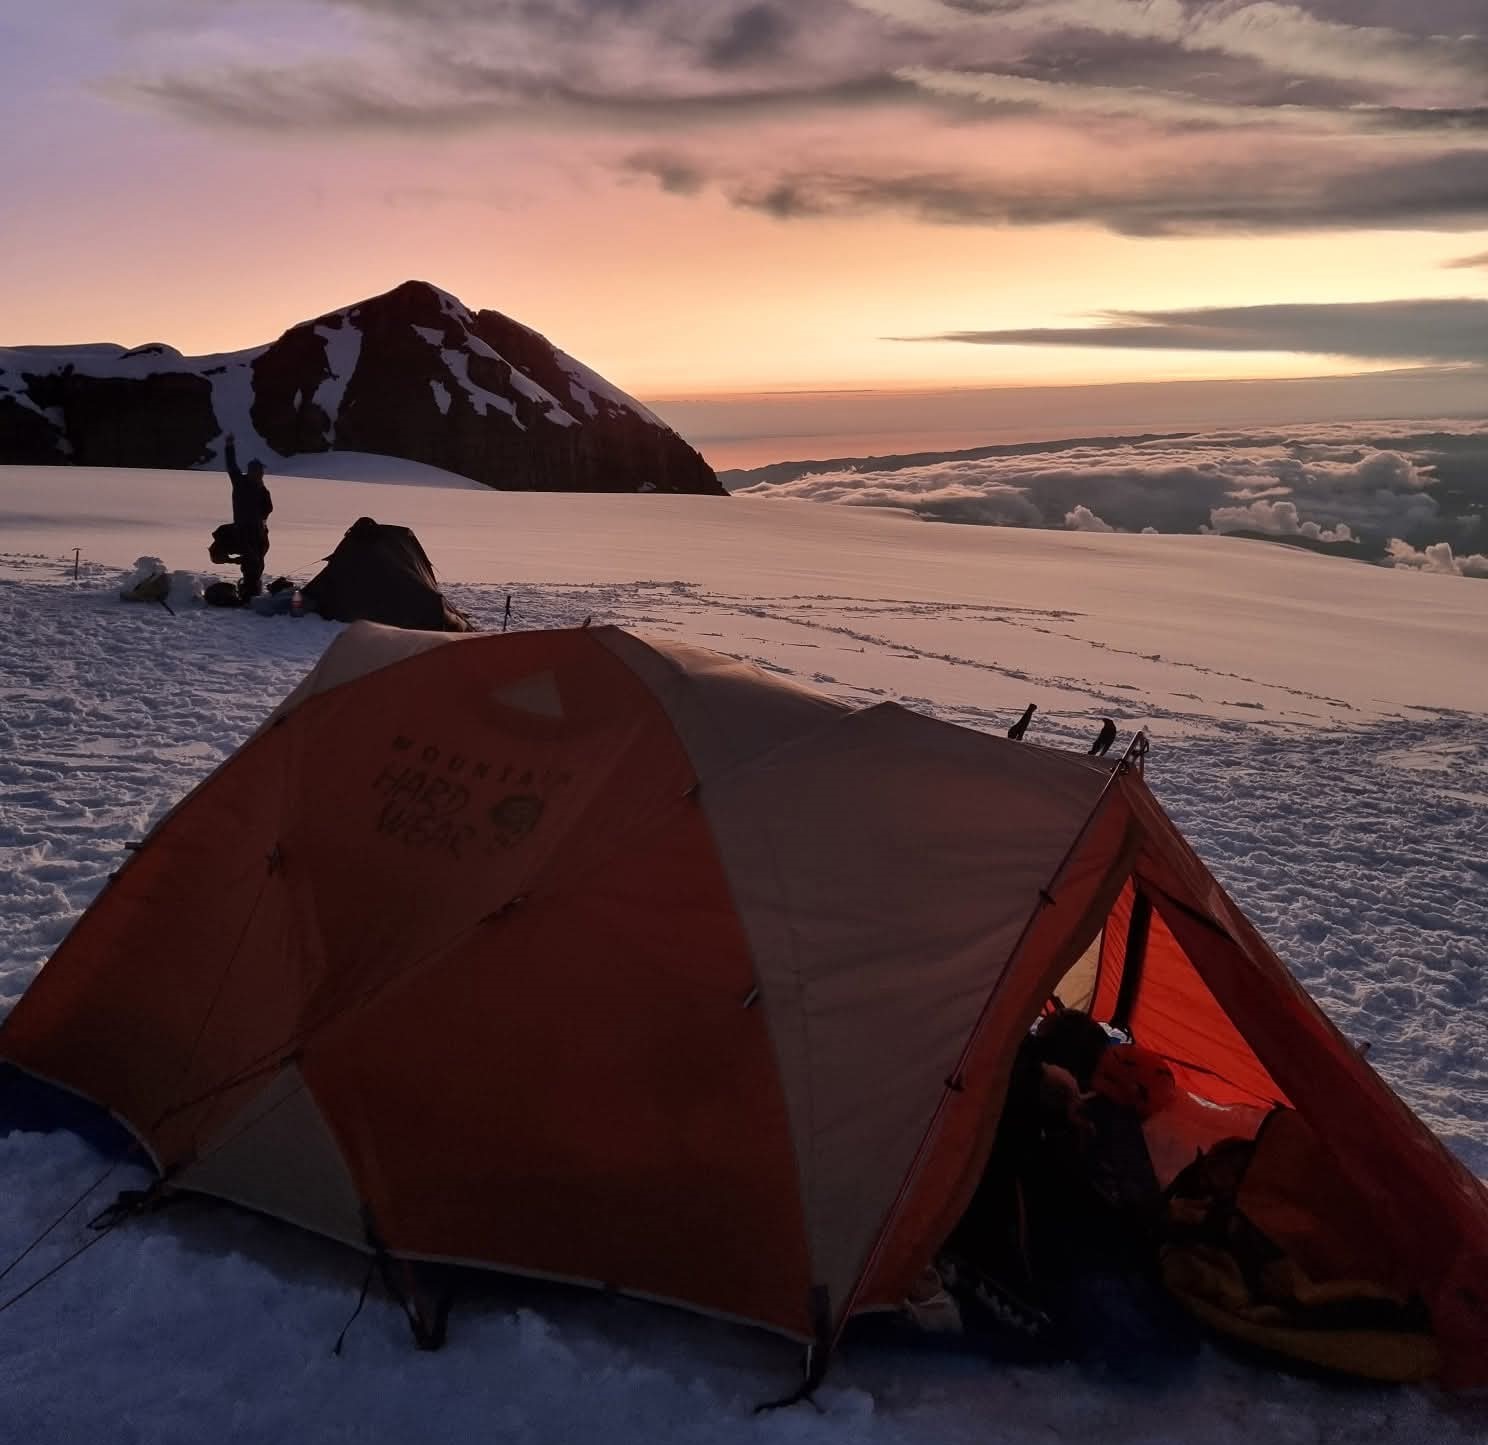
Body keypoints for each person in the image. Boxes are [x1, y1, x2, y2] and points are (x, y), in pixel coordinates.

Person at [221, 433, 273, 599]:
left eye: (261, 472)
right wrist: (229, 446)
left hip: (259, 530)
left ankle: (252, 588)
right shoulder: (240, 482)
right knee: (251, 561)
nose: (260, 475)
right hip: (244, 529)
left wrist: (263, 522)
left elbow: (268, 508)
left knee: (259, 562)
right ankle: (249, 591)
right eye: (258, 472)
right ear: (252, 472)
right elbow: (231, 465)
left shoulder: (262, 489)